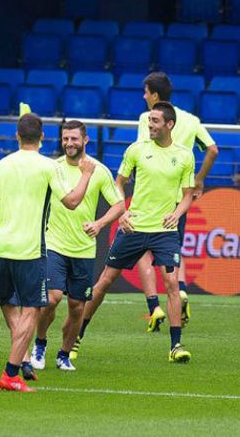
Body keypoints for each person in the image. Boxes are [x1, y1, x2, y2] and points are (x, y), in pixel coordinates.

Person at [0, 113, 95, 391]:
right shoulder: (48, 167)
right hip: (31, 251)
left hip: (1, 247)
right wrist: (86, 174)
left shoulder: (2, 165)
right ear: (42, 137)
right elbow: (72, 202)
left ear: (17, 136)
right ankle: (10, 374)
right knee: (30, 310)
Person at [75, 102, 196, 363]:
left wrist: (177, 213)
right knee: (105, 281)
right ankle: (76, 336)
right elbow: (118, 183)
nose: (150, 125)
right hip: (134, 227)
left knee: (172, 284)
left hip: (165, 231)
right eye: (149, 120)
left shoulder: (185, 155)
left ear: (169, 125)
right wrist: (122, 212)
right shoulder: (136, 150)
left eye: (155, 121)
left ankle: (176, 346)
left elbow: (188, 195)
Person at [28, 120, 125, 372]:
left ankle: (64, 354)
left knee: (77, 307)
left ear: (85, 140)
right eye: (65, 139)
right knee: (51, 299)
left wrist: (100, 224)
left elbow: (119, 205)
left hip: (83, 249)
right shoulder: (53, 168)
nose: (69, 143)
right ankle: (40, 344)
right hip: (54, 244)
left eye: (74, 139)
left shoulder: (99, 171)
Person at [133, 72, 218, 332]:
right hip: (177, 200)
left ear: (155, 95)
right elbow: (213, 149)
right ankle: (180, 291)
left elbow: (140, 151)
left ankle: (154, 307)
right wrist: (198, 181)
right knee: (173, 250)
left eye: (146, 92)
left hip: (148, 197)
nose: (144, 96)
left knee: (142, 253)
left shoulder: (147, 119)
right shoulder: (191, 120)